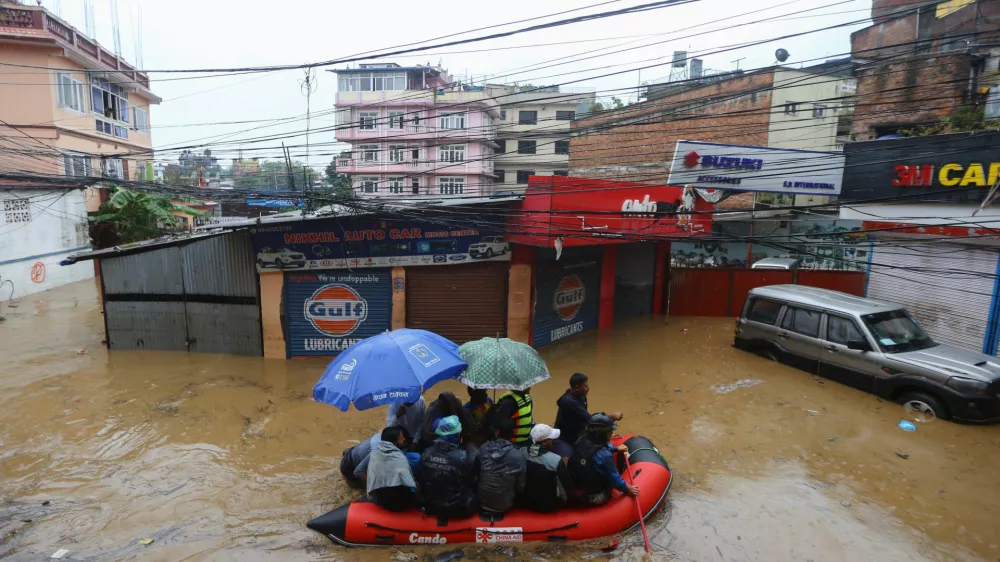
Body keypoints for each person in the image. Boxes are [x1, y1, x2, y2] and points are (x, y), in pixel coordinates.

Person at [568, 414, 639, 506]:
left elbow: (593, 448)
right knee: (610, 478)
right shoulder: (604, 455)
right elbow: (614, 479)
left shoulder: (581, 440)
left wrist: (615, 449)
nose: (612, 433)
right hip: (594, 496)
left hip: (576, 487)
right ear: (602, 433)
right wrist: (627, 489)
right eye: (610, 431)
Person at [418, 415, 477, 518]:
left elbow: (422, 478)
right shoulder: (463, 457)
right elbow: (470, 480)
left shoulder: (426, 453)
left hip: (431, 506)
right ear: (457, 435)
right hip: (458, 508)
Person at [554, 373, 622, 454]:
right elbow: (590, 419)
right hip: (566, 437)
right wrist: (612, 415)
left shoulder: (581, 396)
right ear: (577, 387)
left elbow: (585, 417)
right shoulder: (569, 402)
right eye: (585, 386)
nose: (588, 388)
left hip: (578, 430)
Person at [473, 420, 526, 514]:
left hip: (481, 501)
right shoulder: (518, 455)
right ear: (513, 434)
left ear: (497, 432)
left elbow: (475, 473)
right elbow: (520, 487)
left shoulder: (483, 448)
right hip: (505, 504)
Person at [522, 424, 575, 513]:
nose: (553, 440)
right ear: (544, 442)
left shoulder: (522, 451)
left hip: (526, 499)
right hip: (549, 505)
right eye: (551, 438)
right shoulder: (555, 460)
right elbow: (567, 487)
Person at [367, 426, 418, 512]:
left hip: (379, 499)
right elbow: (409, 483)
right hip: (397, 503)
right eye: (402, 438)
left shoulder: (374, 455)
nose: (404, 439)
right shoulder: (399, 457)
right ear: (395, 442)